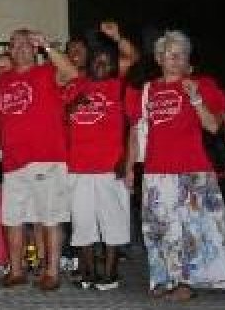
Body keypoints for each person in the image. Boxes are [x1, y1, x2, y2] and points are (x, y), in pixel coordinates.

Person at [126, 30, 225, 299]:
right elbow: (136, 131)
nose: (174, 60)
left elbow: (212, 125)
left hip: (194, 169)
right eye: (168, 55)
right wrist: (129, 167)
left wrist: (196, 98)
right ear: (158, 59)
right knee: (158, 226)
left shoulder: (203, 84)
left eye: (180, 55)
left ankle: (185, 283)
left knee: (192, 228)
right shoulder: (147, 90)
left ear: (188, 60)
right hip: (156, 170)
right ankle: (164, 278)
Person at [0, 29, 78, 291]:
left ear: (35, 48)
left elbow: (72, 74)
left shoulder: (46, 72)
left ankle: (51, 271)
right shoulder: (3, 81)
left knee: (50, 216)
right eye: (14, 45)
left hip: (46, 157)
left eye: (26, 44)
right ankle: (16, 270)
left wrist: (48, 47)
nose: (20, 49)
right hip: (14, 160)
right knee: (12, 218)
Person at [64, 26, 133, 291]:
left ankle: (111, 271)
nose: (101, 64)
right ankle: (89, 271)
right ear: (90, 64)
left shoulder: (118, 86)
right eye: (97, 60)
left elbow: (131, 56)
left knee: (113, 222)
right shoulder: (76, 84)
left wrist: (117, 37)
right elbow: (63, 116)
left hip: (109, 167)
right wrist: (74, 104)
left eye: (107, 61)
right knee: (82, 223)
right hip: (77, 167)